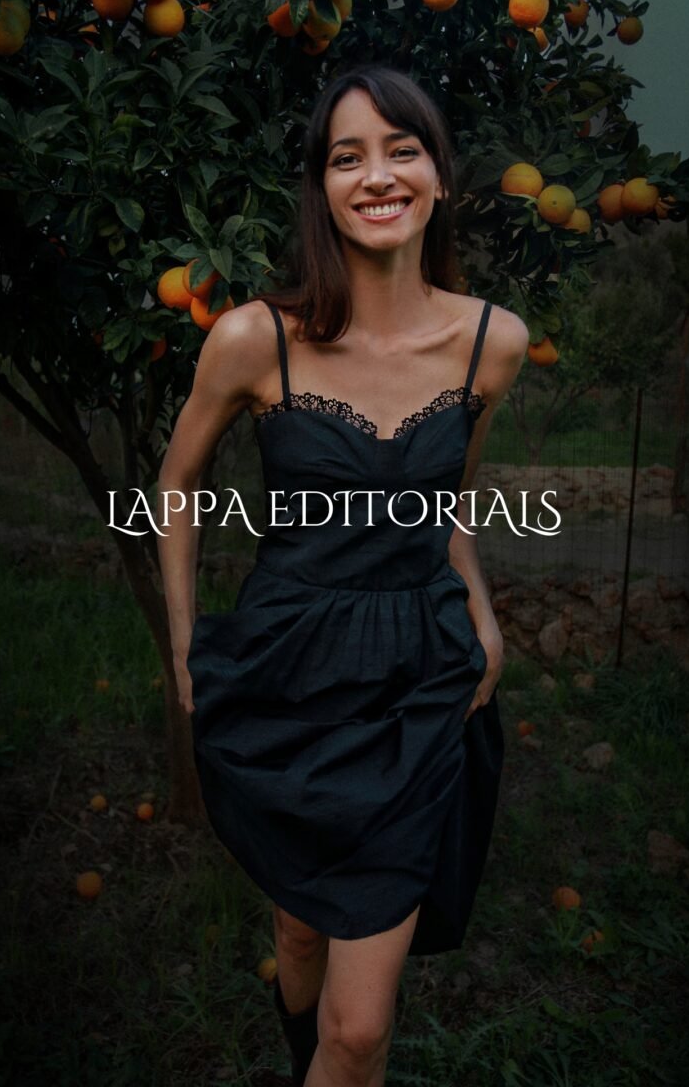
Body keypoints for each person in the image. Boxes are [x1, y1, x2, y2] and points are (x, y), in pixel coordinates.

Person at [157, 63, 529, 1087]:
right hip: (287, 670)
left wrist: (481, 613)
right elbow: (177, 485)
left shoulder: (491, 344)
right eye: (346, 155)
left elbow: (448, 498)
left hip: (416, 680)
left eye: (401, 149)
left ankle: (329, 1056)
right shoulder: (253, 339)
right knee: (299, 930)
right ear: (322, 187)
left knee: (360, 1031)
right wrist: (188, 645)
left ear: (439, 177)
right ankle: (297, 1057)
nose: (376, 174)